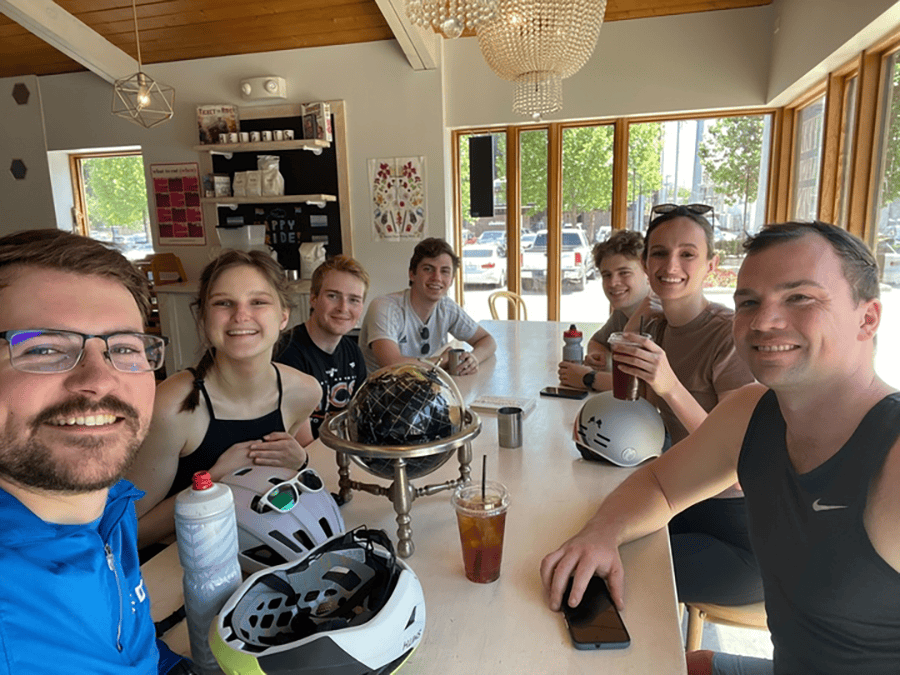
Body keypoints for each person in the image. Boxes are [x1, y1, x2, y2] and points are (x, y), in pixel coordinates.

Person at [541, 221, 900, 675]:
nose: (765, 321)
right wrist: (601, 533)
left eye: (799, 298)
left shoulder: (892, 457)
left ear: (867, 318)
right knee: (685, 663)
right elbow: (660, 484)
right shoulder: (755, 412)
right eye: (749, 302)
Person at [0, 229, 194, 674]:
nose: (99, 379)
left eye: (123, 347)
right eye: (45, 348)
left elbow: (132, 647)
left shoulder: (107, 502)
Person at [128, 250, 321, 549]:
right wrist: (213, 480)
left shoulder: (304, 392)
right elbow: (131, 534)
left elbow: (269, 496)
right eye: (223, 303)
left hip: (253, 553)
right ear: (203, 317)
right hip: (177, 568)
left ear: (284, 315)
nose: (241, 315)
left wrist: (300, 466)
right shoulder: (172, 407)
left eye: (258, 302)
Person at [359, 237, 496, 374]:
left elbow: (487, 340)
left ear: (452, 279)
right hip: (380, 391)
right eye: (428, 269)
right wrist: (440, 361)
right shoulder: (385, 307)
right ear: (412, 274)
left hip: (422, 387)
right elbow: (391, 364)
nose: (437, 277)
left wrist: (473, 359)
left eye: (444, 271)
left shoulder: (446, 307)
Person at [276, 255, 369, 444]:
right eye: (333, 296)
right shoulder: (287, 353)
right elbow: (304, 445)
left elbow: (361, 419)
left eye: (354, 300)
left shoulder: (353, 352)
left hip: (340, 452)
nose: (343, 308)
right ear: (313, 298)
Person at [557, 229, 651, 392]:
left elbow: (645, 390)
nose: (613, 283)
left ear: (648, 273)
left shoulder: (662, 316)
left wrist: (588, 378)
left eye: (624, 273)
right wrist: (602, 359)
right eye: (607, 275)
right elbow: (598, 342)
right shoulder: (622, 313)